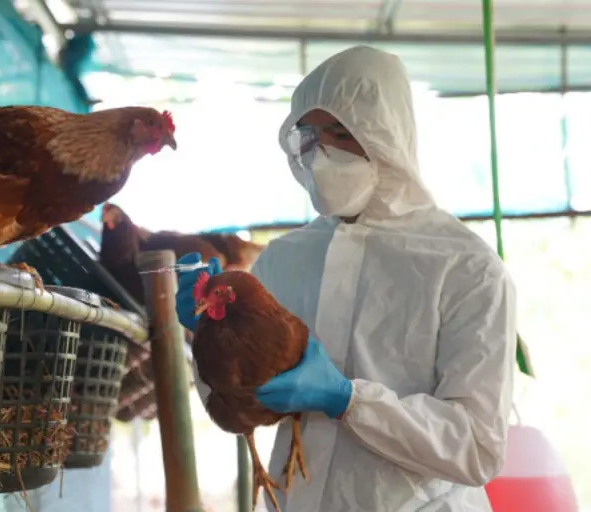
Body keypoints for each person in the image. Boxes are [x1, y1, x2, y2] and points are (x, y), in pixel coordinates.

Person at [175, 45, 517, 511]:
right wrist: (208, 337)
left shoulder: (465, 267)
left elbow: (477, 447)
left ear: (386, 134)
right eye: (310, 137)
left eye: (341, 134)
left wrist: (351, 401)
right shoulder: (284, 259)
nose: (321, 156)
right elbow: (239, 402)